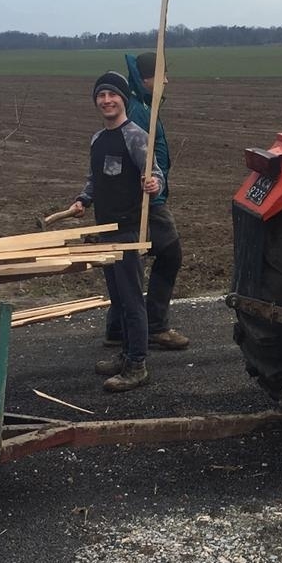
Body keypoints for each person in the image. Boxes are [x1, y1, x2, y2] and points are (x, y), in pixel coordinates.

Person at [73, 71, 165, 393]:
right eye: (101, 95)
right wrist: (83, 200)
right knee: (118, 299)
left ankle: (137, 365)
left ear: (123, 99)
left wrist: (153, 184)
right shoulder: (98, 139)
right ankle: (126, 354)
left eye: (112, 95)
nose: (106, 100)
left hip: (128, 231)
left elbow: (155, 174)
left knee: (131, 299)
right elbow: (94, 179)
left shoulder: (136, 136)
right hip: (106, 230)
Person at [101, 52, 188, 353]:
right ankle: (155, 326)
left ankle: (117, 328)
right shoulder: (139, 112)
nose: (167, 81)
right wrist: (147, 191)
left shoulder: (144, 106)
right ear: (147, 79)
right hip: (148, 201)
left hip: (145, 199)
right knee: (169, 255)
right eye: (162, 76)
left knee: (126, 262)